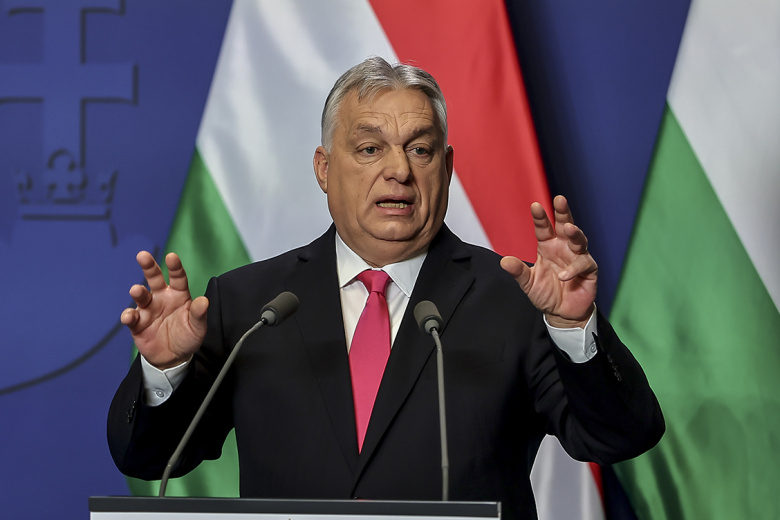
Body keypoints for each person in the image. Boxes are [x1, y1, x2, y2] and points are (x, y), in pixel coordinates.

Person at [108, 57, 663, 520]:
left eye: (420, 149)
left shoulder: (513, 300)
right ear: (324, 169)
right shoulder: (250, 305)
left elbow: (618, 438)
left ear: (446, 167)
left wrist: (572, 327)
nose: (399, 170)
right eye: (370, 148)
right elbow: (148, 457)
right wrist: (165, 372)